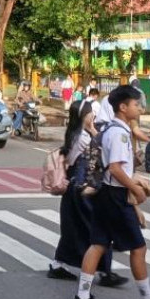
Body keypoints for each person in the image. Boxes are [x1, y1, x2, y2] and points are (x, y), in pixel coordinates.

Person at [73, 85, 150, 299]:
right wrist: (136, 191)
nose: (139, 108)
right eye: (136, 104)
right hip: (116, 195)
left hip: (105, 194)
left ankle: (82, 296)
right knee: (139, 248)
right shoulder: (119, 133)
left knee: (98, 244)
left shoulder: (113, 130)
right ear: (123, 107)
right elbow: (116, 169)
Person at [48, 91, 128, 288]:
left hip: (74, 189)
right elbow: (102, 151)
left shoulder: (77, 133)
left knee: (73, 228)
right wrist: (93, 131)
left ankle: (58, 264)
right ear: (84, 115)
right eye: (91, 112)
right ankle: (105, 272)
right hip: (84, 189)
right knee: (99, 230)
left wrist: (92, 130)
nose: (94, 114)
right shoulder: (83, 137)